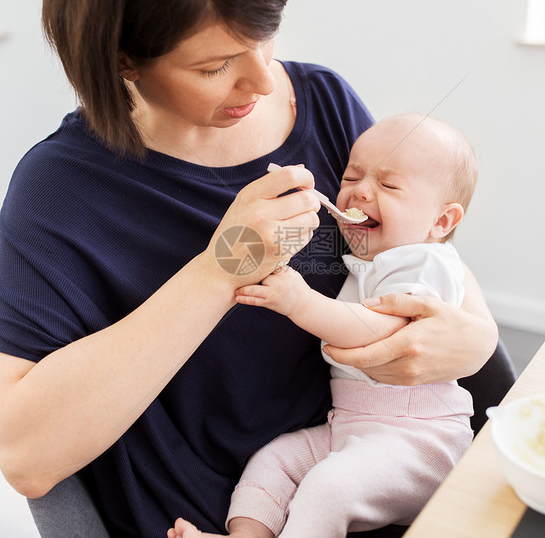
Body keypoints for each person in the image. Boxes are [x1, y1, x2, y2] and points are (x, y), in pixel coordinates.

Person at [0, 0, 498, 536]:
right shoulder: (59, 189)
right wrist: (219, 271)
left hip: (374, 481)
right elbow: (26, 459)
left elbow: (427, 255)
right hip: (201, 515)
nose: (264, 81)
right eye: (216, 65)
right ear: (123, 59)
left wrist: (479, 339)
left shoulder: (324, 102)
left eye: (264, 37)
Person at [169, 115, 478, 538]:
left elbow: (382, 334)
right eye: (351, 177)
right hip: (350, 426)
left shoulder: (425, 263)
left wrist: (301, 302)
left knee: (327, 488)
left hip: (421, 442)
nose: (359, 191)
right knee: (272, 461)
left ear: (441, 222)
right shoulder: (367, 260)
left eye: (388, 186)